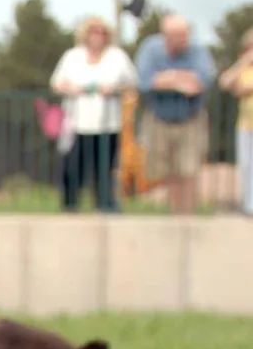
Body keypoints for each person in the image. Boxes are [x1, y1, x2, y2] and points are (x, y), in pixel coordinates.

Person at [50, 16, 137, 212]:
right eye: (93, 31)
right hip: (76, 122)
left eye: (102, 32)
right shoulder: (72, 56)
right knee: (73, 167)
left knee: (104, 169)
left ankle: (105, 206)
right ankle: (70, 206)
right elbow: (56, 83)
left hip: (107, 123)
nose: (97, 36)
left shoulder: (117, 56)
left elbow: (132, 83)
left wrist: (114, 88)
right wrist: (72, 89)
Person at [135, 14, 217, 214]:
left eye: (185, 34)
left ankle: (187, 217)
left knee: (188, 169)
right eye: (178, 36)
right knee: (166, 170)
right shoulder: (150, 48)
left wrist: (165, 79)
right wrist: (180, 79)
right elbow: (144, 81)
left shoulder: (198, 50)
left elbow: (203, 80)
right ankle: (174, 217)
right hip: (159, 119)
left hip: (191, 119)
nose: (183, 40)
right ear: (165, 36)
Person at [219, 27, 253, 215]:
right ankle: (248, 204)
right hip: (246, 124)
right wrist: (244, 61)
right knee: (246, 165)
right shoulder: (244, 69)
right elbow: (226, 82)